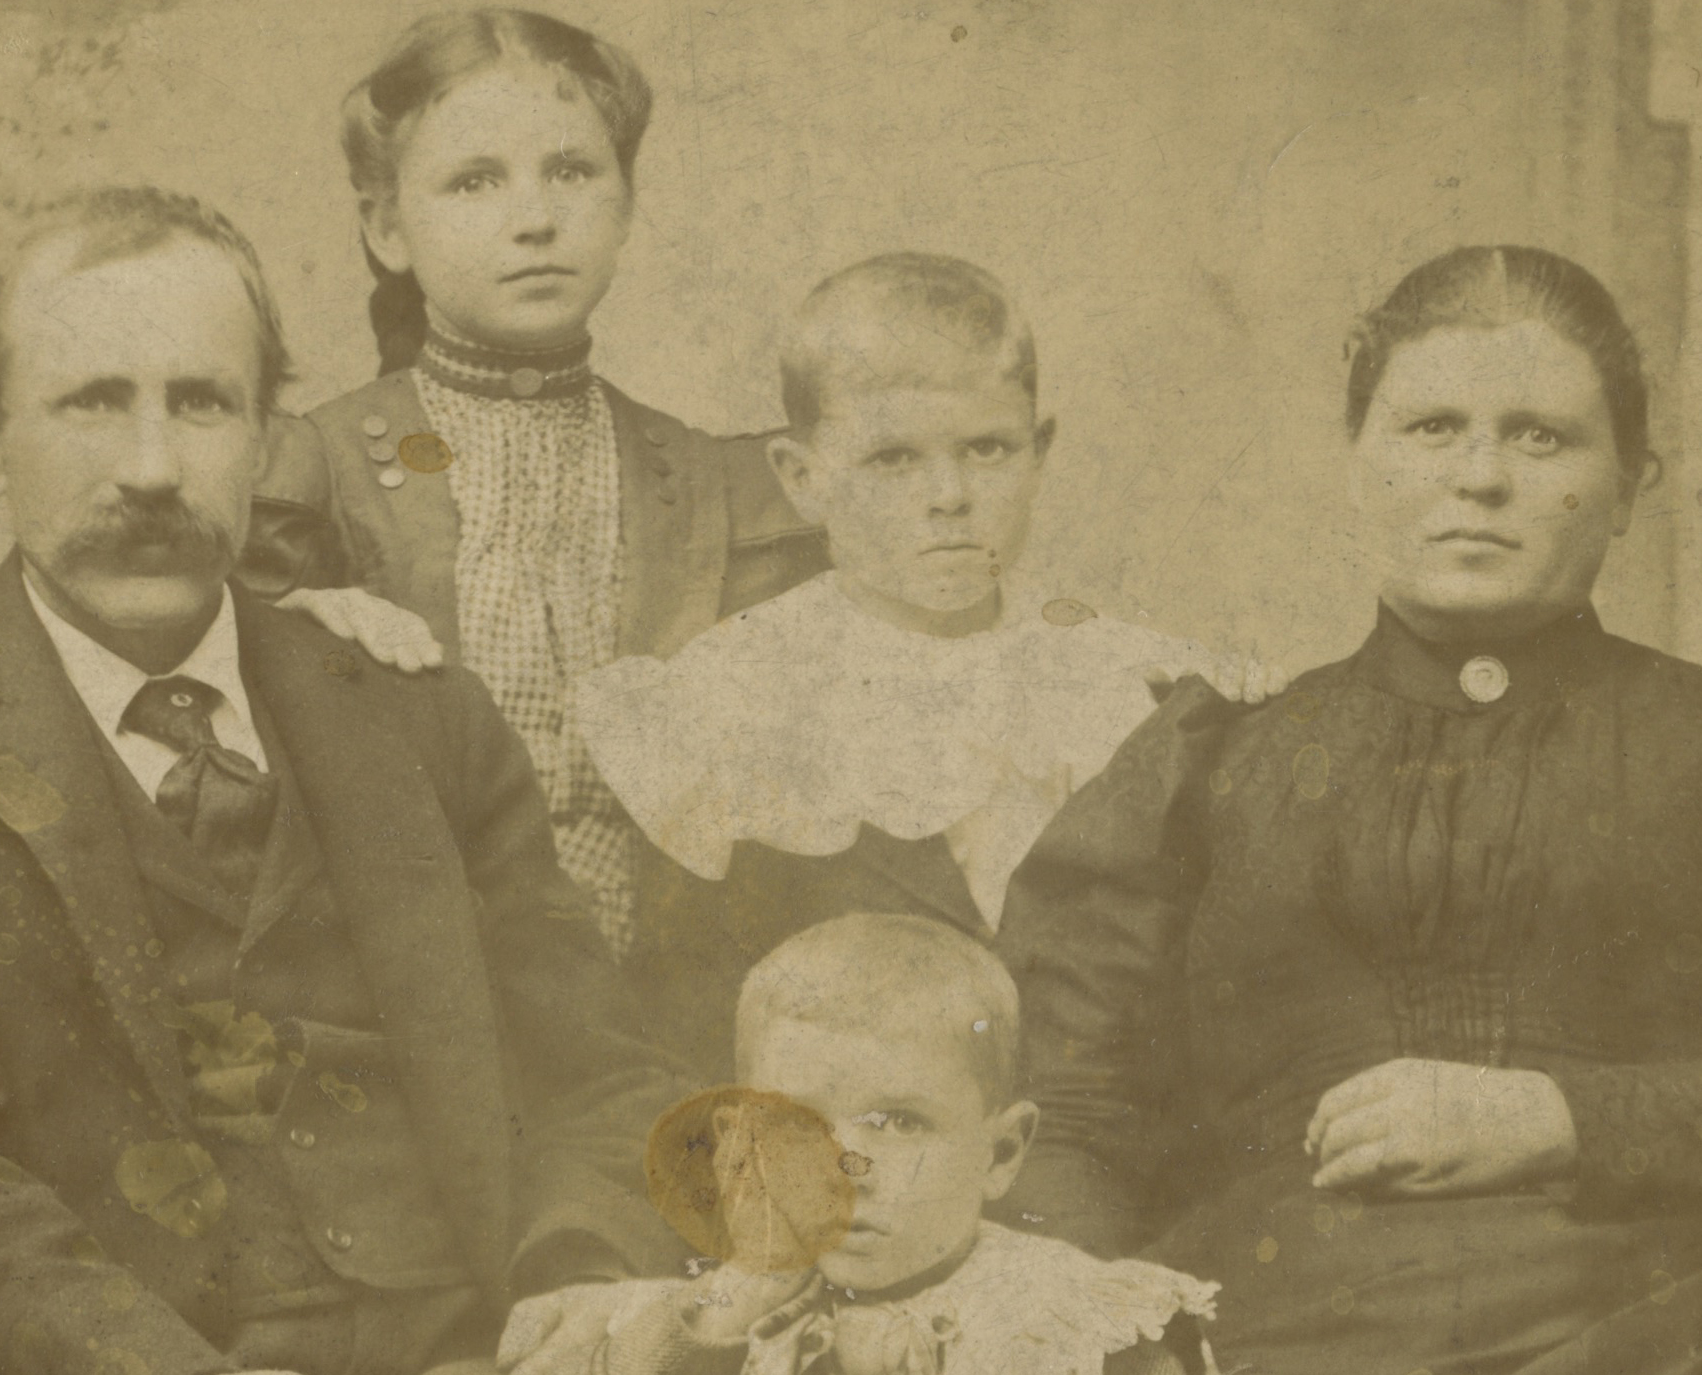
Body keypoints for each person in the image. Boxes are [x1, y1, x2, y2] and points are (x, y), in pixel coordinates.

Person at [0, 186, 682, 1375]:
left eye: (203, 402)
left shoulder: (420, 713)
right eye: (91, 401)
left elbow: (597, 1073)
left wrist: (575, 1282)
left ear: (268, 434)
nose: (152, 468)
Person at [998, 245, 1702, 1373]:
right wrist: (1102, 1340)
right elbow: (1067, 1117)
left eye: (1540, 437)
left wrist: (1562, 1117)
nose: (1478, 477)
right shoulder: (1210, 761)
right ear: (1357, 462)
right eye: (1431, 428)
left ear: (1628, 487)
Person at [574, 252, 1281, 1078]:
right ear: (802, 478)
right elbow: (689, 1017)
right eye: (894, 459)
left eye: (987, 449)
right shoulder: (734, 694)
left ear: (1039, 451)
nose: (949, 494)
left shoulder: (1124, 675)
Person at [239, 7, 826, 955]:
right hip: (424, 987)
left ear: (626, 204)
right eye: (475, 181)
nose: (536, 220)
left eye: (572, 171)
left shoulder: (705, 476)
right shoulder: (319, 467)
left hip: (664, 992)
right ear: (388, 228)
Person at [498, 913, 1221, 1375]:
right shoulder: (746, 1298)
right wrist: (713, 1324)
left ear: (1001, 1153)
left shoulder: (1074, 1324)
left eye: (901, 1122)